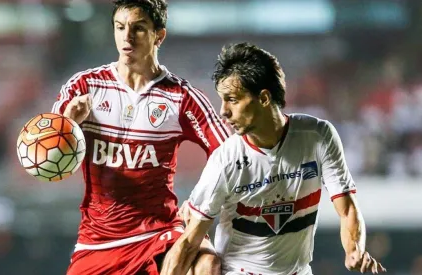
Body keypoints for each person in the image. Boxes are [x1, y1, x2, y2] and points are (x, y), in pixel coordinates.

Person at [161, 42, 386, 275]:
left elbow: (347, 209)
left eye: (232, 99)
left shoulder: (318, 136)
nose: (223, 111)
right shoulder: (225, 161)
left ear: (265, 98)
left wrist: (354, 250)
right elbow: (188, 244)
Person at [51, 0, 230, 274]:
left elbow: (230, 154)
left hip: (158, 231)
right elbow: (51, 167)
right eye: (120, 27)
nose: (127, 36)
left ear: (159, 35)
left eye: (139, 28)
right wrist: (70, 124)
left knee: (207, 263)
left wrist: (198, 202)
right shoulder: (83, 87)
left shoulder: (182, 98)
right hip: (98, 240)